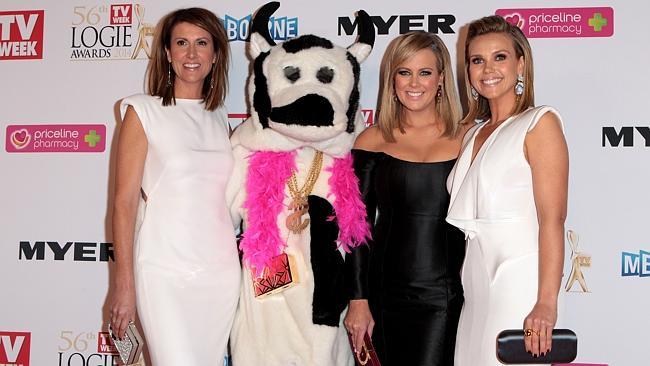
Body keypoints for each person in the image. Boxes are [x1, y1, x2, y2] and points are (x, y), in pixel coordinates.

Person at [109, 8, 240, 366]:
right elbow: (123, 204)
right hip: (164, 270)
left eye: (202, 43)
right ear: (167, 53)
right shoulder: (142, 111)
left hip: (221, 272)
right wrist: (123, 284)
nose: (192, 54)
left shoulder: (221, 116)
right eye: (182, 43)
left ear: (216, 55)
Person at [446, 15, 568, 365]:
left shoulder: (539, 122)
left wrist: (546, 302)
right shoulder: (472, 133)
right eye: (477, 60)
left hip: (518, 283)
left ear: (521, 63)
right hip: (475, 286)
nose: (488, 69)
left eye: (500, 57)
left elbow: (553, 219)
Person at [344, 31, 467, 366]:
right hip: (383, 296)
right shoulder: (372, 139)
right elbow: (357, 228)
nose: (414, 82)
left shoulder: (469, 139)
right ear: (392, 79)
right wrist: (358, 300)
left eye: (425, 72)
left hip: (446, 296)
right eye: (404, 71)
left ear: (441, 79)